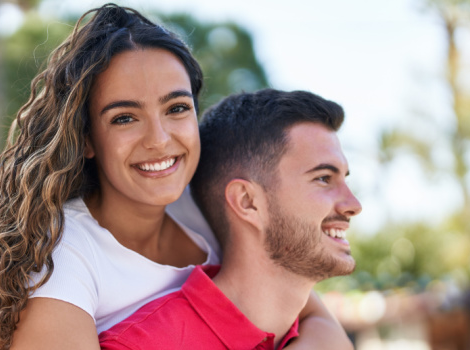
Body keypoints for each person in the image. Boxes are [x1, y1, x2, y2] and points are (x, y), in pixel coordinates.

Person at [0, 4, 347, 349]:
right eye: (125, 117)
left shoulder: (201, 201)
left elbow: (317, 320)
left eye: (177, 108)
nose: (160, 139)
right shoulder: (63, 256)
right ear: (87, 138)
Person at [99, 89, 362, 349]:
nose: (354, 205)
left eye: (343, 178)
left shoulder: (316, 334)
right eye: (323, 178)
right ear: (247, 201)